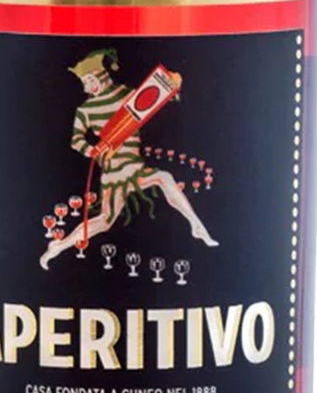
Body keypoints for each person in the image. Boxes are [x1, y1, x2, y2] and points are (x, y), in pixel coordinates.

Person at [40, 48, 218, 268]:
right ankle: (59, 246)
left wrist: (173, 85)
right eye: (84, 82)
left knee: (163, 179)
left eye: (89, 80)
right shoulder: (85, 110)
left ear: (101, 76)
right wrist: (94, 150)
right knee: (105, 220)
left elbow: (153, 99)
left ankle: (196, 225)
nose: (87, 86)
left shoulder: (127, 95)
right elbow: (76, 140)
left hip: (134, 164)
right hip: (114, 169)